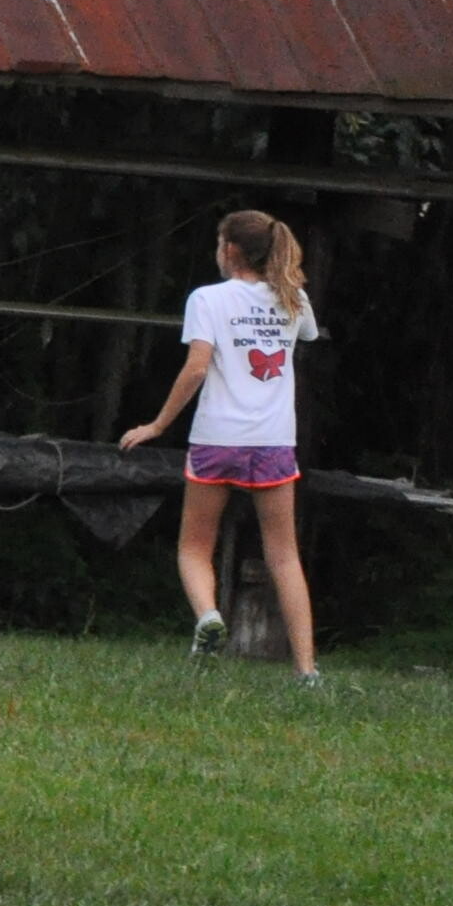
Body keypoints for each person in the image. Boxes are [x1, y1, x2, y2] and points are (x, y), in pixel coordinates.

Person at [120, 209, 323, 681]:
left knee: (194, 548)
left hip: (216, 438)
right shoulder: (294, 298)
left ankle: (209, 617)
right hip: (272, 443)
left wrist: (158, 424)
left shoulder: (207, 299)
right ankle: (306, 670)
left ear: (230, 250)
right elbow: (308, 335)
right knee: (284, 556)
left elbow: (196, 368)